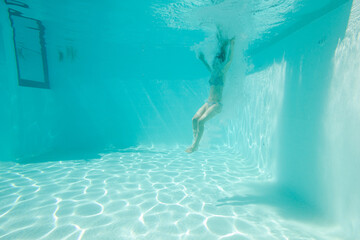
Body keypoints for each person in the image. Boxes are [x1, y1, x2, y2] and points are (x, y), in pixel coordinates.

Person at [186, 31, 235, 153]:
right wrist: (202, 59)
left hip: (217, 105)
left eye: (216, 63)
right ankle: (196, 141)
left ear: (220, 64)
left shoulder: (222, 73)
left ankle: (195, 146)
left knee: (201, 121)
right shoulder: (213, 74)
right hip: (208, 103)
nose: (214, 64)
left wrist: (232, 45)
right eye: (214, 63)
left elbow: (229, 60)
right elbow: (208, 67)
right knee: (194, 119)